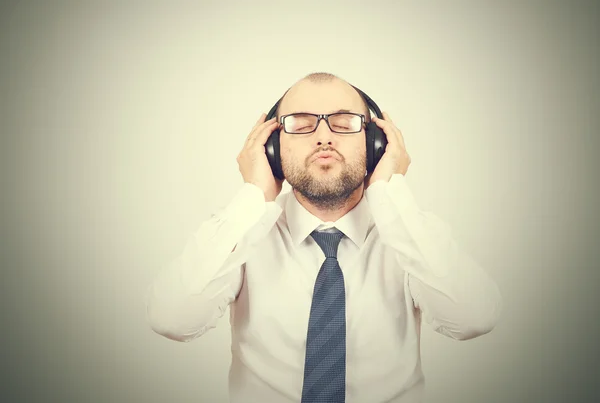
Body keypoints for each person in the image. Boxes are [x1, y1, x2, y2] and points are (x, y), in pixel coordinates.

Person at [145, 72, 503, 403]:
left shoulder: (409, 234)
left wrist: (389, 193)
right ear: (272, 148)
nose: (323, 136)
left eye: (344, 122)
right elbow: (173, 319)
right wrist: (255, 194)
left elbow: (474, 317)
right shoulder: (241, 233)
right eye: (300, 124)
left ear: (376, 142)